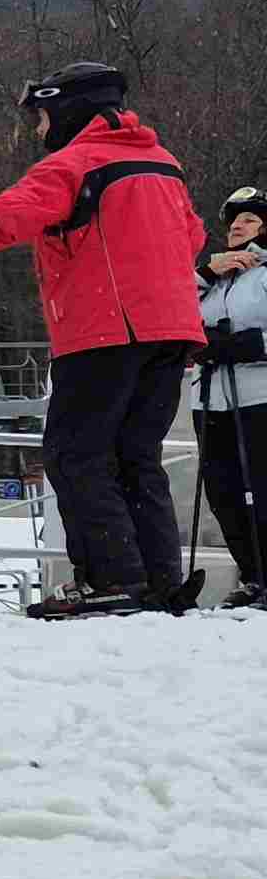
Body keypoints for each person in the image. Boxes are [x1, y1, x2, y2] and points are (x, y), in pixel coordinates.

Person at [0, 62, 207, 617]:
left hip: (103, 330)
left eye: (43, 117)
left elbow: (4, 218)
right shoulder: (164, 164)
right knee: (136, 456)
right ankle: (159, 580)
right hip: (171, 332)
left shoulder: (75, 164)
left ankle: (113, 578)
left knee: (76, 455)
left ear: (69, 111)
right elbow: (192, 235)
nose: (38, 131)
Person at [198, 183, 267, 606]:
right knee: (223, 493)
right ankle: (251, 575)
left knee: (262, 489)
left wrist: (250, 345)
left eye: (249, 220)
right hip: (210, 399)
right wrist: (207, 273)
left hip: (259, 395)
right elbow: (168, 308)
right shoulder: (214, 277)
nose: (237, 227)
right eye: (233, 222)